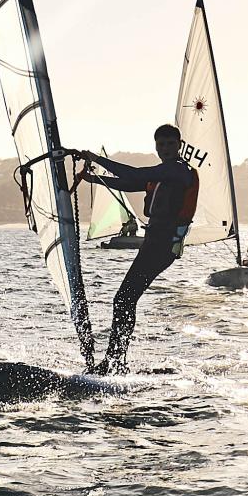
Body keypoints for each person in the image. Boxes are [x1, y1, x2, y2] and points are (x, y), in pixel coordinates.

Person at [76, 125, 199, 374]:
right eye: (160, 144)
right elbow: (130, 184)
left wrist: (97, 159)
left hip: (163, 245)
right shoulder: (163, 174)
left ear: (179, 144)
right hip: (154, 243)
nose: (165, 148)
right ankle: (115, 361)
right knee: (125, 299)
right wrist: (94, 178)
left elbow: (134, 174)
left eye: (169, 144)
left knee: (123, 299)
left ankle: (115, 363)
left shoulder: (177, 171)